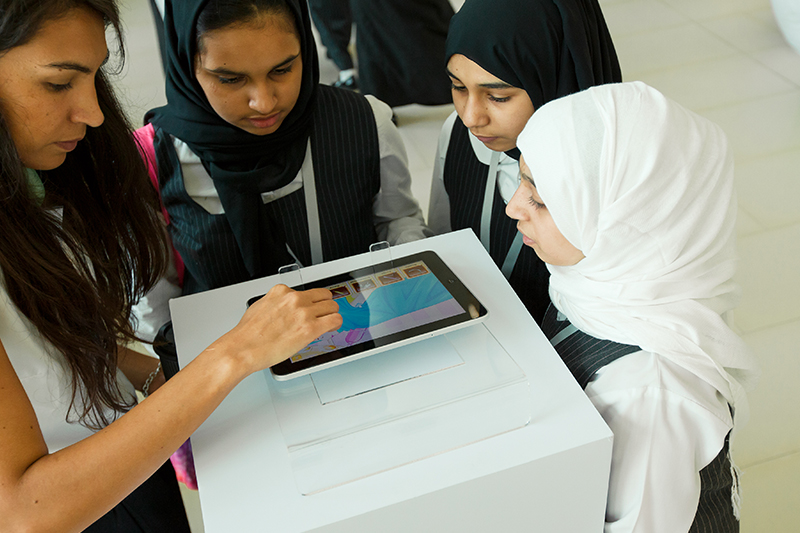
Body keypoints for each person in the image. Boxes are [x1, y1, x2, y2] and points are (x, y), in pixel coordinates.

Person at [0, 1, 341, 531]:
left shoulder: (38, 179)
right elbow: (23, 511)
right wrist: (232, 354)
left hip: (127, 463)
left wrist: (161, 375)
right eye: (58, 84)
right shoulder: (153, 155)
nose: (93, 113)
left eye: (94, 77)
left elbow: (42, 346)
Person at [506, 81, 760, 532]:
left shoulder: (647, 392)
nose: (513, 208)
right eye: (521, 183)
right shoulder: (608, 285)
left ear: (623, 221)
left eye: (540, 199)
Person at [133, 0, 431, 342]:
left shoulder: (363, 122)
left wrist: (408, 273)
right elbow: (155, 302)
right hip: (233, 363)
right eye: (230, 79)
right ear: (186, 62)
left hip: (362, 338)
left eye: (282, 70)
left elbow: (397, 219)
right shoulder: (152, 159)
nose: (264, 102)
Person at [427, 0, 621, 324]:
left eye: (498, 97)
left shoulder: (619, 173)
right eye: (458, 87)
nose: (471, 117)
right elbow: (442, 240)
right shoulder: (459, 136)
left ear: (556, 73)